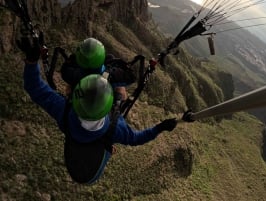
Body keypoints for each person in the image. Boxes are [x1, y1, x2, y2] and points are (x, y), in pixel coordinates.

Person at [18, 36, 179, 184]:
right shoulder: (116, 128)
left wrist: (32, 61)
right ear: (108, 108)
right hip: (94, 168)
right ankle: (107, 145)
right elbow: (138, 138)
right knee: (120, 94)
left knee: (110, 124)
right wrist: (161, 127)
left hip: (80, 150)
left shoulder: (64, 111)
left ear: (75, 99)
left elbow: (35, 88)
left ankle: (106, 143)